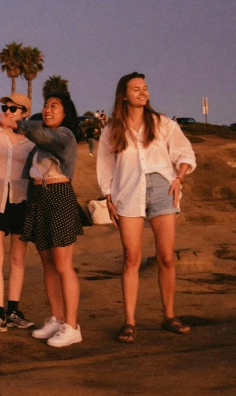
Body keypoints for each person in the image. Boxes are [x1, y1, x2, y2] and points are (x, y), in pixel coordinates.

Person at [97, 72, 196, 343]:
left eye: (145, 88)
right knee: (131, 258)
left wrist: (179, 178)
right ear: (124, 95)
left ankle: (169, 316)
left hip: (163, 189)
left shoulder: (162, 123)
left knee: (165, 257)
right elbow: (105, 166)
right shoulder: (112, 129)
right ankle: (129, 322)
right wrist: (108, 195)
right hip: (128, 193)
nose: (143, 92)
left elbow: (184, 152)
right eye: (136, 89)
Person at [0, 92, 82, 347]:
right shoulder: (38, 141)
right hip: (39, 197)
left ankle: (72, 325)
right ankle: (57, 318)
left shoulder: (64, 134)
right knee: (47, 262)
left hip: (59, 195)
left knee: (63, 264)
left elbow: (45, 136)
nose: (47, 109)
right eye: (45, 105)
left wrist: (18, 124)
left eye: (54, 106)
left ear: (65, 113)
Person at [0, 93, 36, 334]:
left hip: (21, 200)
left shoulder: (32, 140)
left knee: (17, 259)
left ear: (25, 113)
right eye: (6, 107)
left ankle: (13, 310)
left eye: (15, 108)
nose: (9, 111)